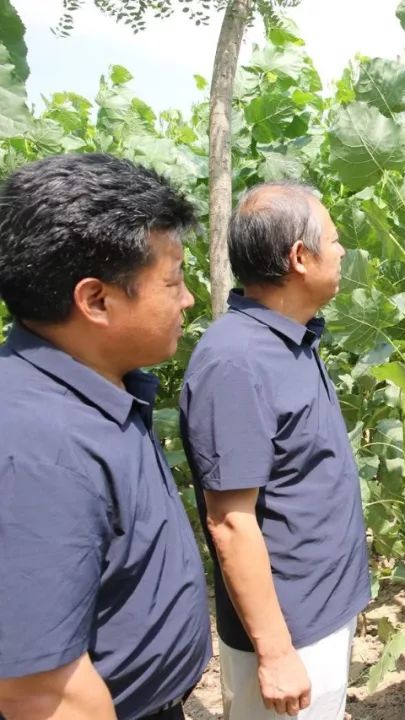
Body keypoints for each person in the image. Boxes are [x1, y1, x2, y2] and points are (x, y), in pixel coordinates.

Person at [0, 154, 211, 719]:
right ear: (96, 301)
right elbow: (40, 692)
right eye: (173, 280)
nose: (187, 299)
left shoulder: (94, 386)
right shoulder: (37, 448)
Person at [179, 183, 370, 719]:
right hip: (290, 633)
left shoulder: (292, 338)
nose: (342, 251)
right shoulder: (236, 362)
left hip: (320, 612)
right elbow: (230, 521)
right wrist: (276, 652)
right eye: (333, 241)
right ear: (299, 257)